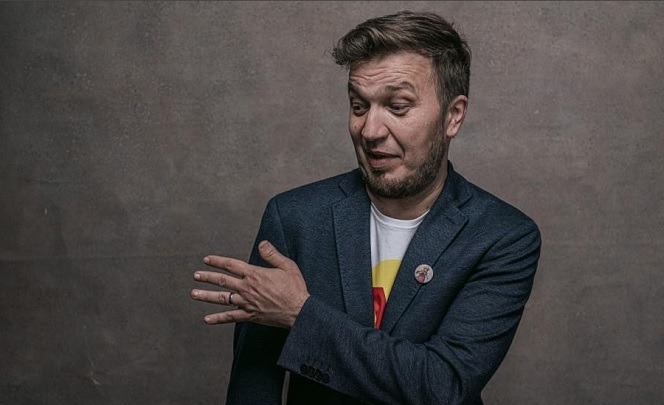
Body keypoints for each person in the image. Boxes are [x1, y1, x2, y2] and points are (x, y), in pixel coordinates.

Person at [191, 10, 541, 405]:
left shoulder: (502, 235)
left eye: (398, 106)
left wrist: (300, 315)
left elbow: (444, 386)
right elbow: (253, 389)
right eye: (359, 106)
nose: (370, 131)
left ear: (453, 116)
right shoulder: (294, 219)